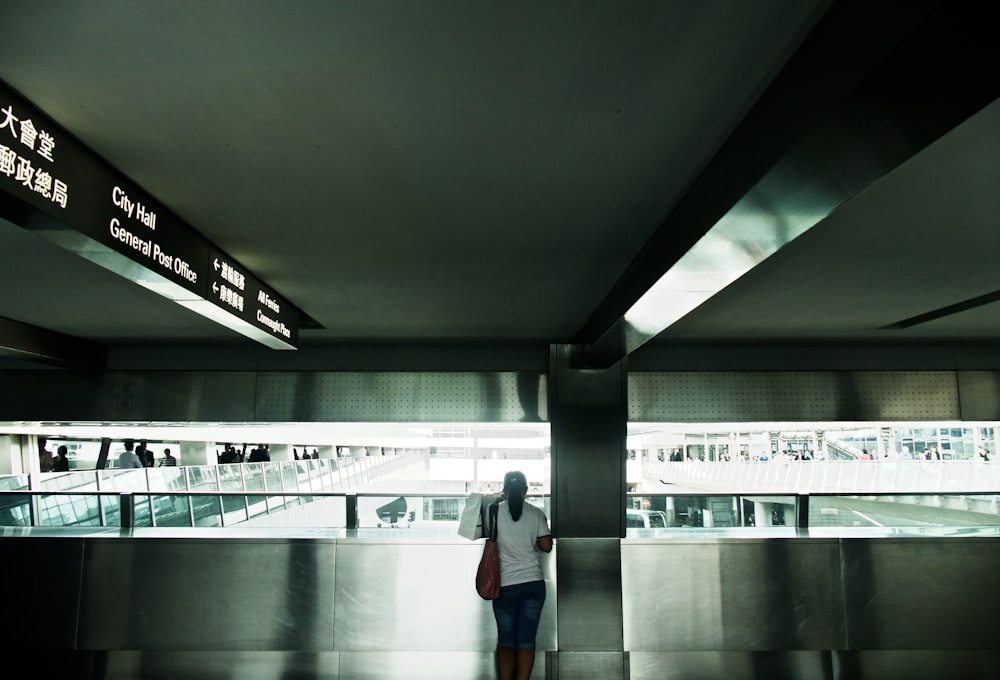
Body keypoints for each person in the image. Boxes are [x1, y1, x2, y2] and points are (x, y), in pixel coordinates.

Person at [490, 470, 552, 680]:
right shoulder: (536, 513)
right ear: (526, 491)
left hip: (504, 584)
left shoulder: (494, 512)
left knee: (506, 639)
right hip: (532, 584)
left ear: (504, 490)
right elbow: (546, 546)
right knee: (526, 640)